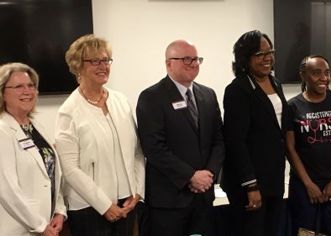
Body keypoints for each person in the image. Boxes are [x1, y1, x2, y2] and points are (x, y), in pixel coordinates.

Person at [54, 34, 145, 236]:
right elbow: (70, 168)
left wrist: (137, 192)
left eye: (106, 60)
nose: (103, 66)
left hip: (127, 202)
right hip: (89, 208)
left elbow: (137, 151)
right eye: (95, 61)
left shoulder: (120, 101)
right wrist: (104, 205)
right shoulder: (68, 111)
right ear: (78, 66)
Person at [136, 39, 224, 236]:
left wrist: (209, 174)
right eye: (186, 59)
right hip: (169, 201)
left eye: (196, 59)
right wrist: (190, 176)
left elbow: (219, 140)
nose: (193, 64)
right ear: (169, 63)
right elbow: (154, 148)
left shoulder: (208, 95)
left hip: (204, 196)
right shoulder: (151, 97)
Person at [221, 30, 290, 236]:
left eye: (270, 52)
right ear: (245, 58)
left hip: (274, 178)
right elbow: (235, 142)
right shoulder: (237, 90)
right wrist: (251, 186)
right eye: (259, 54)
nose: (267, 58)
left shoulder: (275, 83)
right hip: (248, 182)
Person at [286, 55, 331, 236]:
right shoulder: (292, 107)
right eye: (316, 73)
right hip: (305, 187)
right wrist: (308, 184)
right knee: (306, 232)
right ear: (303, 75)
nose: (324, 78)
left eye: (327, 73)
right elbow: (290, 149)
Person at [0, 62, 66, 236]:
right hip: (16, 229)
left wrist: (60, 210)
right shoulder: (2, 130)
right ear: (2, 93)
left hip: (47, 224)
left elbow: (52, 174)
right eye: (18, 86)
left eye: (31, 85)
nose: (27, 91)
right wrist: (40, 225)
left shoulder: (37, 127)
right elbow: (7, 190)